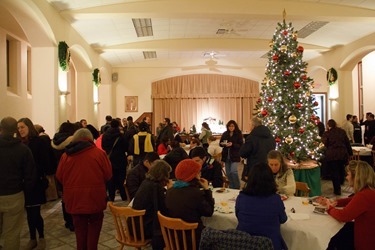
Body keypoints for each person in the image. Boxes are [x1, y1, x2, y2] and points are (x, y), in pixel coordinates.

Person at [56, 128, 112, 250]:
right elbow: (108, 175)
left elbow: (59, 176)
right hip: (94, 198)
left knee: (80, 233)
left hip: (74, 200)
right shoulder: (99, 154)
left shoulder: (66, 156)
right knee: (94, 232)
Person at [0, 117, 37, 250]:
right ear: (15, 130)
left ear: (1, 129)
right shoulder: (23, 149)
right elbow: (30, 175)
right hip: (14, 195)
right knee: (12, 234)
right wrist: (24, 191)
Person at [323, 161, 375, 250]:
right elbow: (352, 200)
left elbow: (343, 216)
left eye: (348, 174)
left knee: (334, 238)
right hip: (369, 235)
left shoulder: (363, 196)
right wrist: (336, 202)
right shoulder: (369, 191)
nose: (346, 177)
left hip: (366, 242)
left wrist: (329, 208)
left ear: (356, 177)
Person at [236, 162, 287, 250]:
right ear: (270, 180)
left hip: (244, 244)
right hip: (270, 245)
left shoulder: (242, 197)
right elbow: (283, 219)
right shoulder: (275, 199)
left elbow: (238, 216)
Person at [165, 159, 215, 248]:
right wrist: (207, 190)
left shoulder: (170, 191)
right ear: (193, 175)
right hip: (193, 239)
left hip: (173, 238)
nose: (200, 174)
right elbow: (209, 212)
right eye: (198, 172)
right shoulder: (195, 194)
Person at [17, 118, 50, 250]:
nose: (20, 130)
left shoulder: (39, 142)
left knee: (34, 212)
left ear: (29, 127)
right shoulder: (19, 144)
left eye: (22, 127)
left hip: (36, 182)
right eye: (18, 128)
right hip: (23, 183)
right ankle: (32, 237)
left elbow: (45, 162)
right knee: (29, 212)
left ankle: (40, 237)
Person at [132, 160, 172, 250]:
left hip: (134, 226)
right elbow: (162, 210)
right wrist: (170, 192)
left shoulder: (146, 182)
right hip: (143, 229)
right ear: (163, 175)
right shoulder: (156, 187)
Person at [51, 121, 79, 231]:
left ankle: (67, 220)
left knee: (64, 197)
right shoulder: (72, 141)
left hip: (59, 171)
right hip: (70, 171)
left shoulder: (54, 141)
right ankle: (72, 221)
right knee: (72, 197)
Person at [322, 119, 353, 195]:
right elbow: (347, 143)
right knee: (341, 168)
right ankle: (341, 182)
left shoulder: (327, 133)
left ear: (328, 125)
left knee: (334, 172)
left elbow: (325, 144)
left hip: (332, 155)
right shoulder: (342, 132)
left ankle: (337, 189)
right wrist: (350, 153)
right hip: (342, 153)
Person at [240, 117, 276, 181]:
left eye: (249, 125)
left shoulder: (251, 137)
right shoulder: (271, 137)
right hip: (268, 167)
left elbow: (243, 153)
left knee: (254, 188)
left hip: (254, 169)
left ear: (253, 125)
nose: (249, 127)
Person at [102, 119, 128, 202]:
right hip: (120, 159)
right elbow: (126, 147)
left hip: (110, 159)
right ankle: (123, 196)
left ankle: (111, 196)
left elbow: (103, 146)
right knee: (121, 178)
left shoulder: (105, 135)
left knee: (111, 178)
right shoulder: (121, 135)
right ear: (118, 125)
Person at [220, 120, 243, 189]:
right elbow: (220, 143)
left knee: (233, 171)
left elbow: (241, 145)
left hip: (235, 155)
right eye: (229, 126)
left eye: (232, 126)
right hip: (226, 155)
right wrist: (223, 144)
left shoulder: (238, 134)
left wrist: (232, 144)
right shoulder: (225, 134)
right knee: (228, 173)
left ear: (235, 126)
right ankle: (231, 186)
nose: (231, 127)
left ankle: (237, 186)